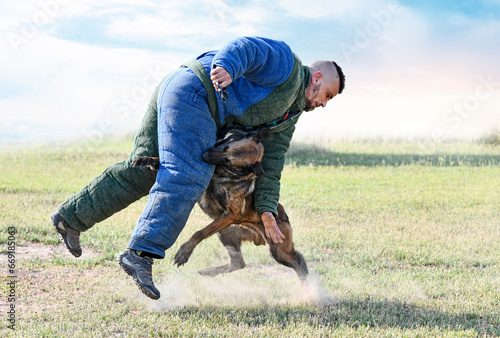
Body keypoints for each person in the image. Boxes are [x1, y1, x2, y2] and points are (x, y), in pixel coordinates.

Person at [51, 36, 345, 300]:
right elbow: (247, 48)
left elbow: (272, 161)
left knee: (143, 170)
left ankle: (70, 218)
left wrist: (267, 209)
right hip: (197, 93)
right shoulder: (288, 65)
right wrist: (228, 66)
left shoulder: (288, 115)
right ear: (316, 77)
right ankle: (140, 253)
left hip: (178, 86)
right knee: (188, 175)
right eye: (327, 95)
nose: (324, 104)